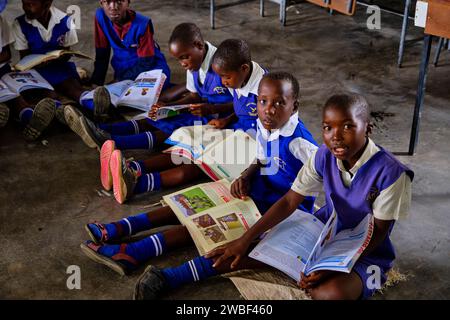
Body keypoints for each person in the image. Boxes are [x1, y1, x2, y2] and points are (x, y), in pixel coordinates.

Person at [134, 93, 414, 300]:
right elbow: (290, 201)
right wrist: (243, 240)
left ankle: (326, 276)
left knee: (330, 293)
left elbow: (377, 233)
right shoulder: (323, 156)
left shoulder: (391, 173)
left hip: (364, 252)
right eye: (328, 128)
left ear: (368, 129)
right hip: (323, 233)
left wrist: (332, 269)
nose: (336, 137)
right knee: (249, 249)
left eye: (348, 126)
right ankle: (171, 276)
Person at [79, 72, 318, 279]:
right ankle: (124, 227)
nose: (269, 109)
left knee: (203, 224)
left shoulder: (302, 145)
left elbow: (299, 196)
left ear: (294, 107)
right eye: (264, 101)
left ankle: (133, 252)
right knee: (191, 202)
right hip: (257, 189)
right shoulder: (266, 123)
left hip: (282, 209)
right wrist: (247, 174)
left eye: (278, 103)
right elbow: (262, 156)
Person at [94, 38, 269, 204]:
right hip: (235, 131)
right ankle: (132, 168)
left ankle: (137, 185)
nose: (223, 83)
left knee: (196, 165)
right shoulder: (238, 77)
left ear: (244, 68)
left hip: (254, 145)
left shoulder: (265, 92)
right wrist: (226, 120)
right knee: (187, 145)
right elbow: (240, 109)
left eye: (226, 78)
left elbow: (270, 138)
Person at [65, 23, 234, 152]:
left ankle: (115, 142)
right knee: (158, 116)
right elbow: (194, 95)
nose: (183, 63)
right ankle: (103, 130)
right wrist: (169, 106)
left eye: (185, 57)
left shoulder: (222, 64)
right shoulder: (195, 63)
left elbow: (243, 102)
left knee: (180, 129)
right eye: (179, 60)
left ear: (199, 45)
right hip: (206, 110)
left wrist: (211, 108)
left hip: (226, 118)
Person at [12, 0, 110, 125]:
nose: (26, 8)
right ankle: (64, 116)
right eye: (24, 3)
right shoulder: (19, 24)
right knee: (49, 94)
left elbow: (66, 52)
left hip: (58, 66)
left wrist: (58, 57)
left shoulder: (65, 21)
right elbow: (24, 57)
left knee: (73, 88)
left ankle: (96, 107)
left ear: (46, 4)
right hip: (35, 70)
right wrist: (38, 63)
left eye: (31, 4)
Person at [0, 0, 56, 139]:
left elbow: (6, 53)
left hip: (2, 69)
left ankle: (32, 119)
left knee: (14, 95)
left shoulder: (1, 21)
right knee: (5, 95)